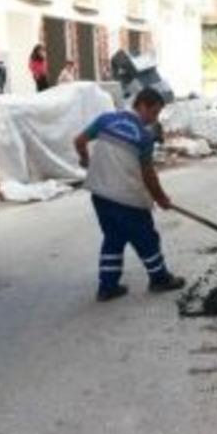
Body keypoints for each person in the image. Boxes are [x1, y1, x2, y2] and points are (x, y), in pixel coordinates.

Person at [73, 87, 186, 301]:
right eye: (153, 113)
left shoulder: (105, 120)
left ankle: (107, 287)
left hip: (100, 195)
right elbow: (148, 174)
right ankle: (159, 279)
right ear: (141, 105)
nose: (154, 119)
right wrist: (160, 198)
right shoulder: (143, 136)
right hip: (127, 199)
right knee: (147, 239)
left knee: (113, 238)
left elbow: (78, 141)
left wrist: (85, 160)